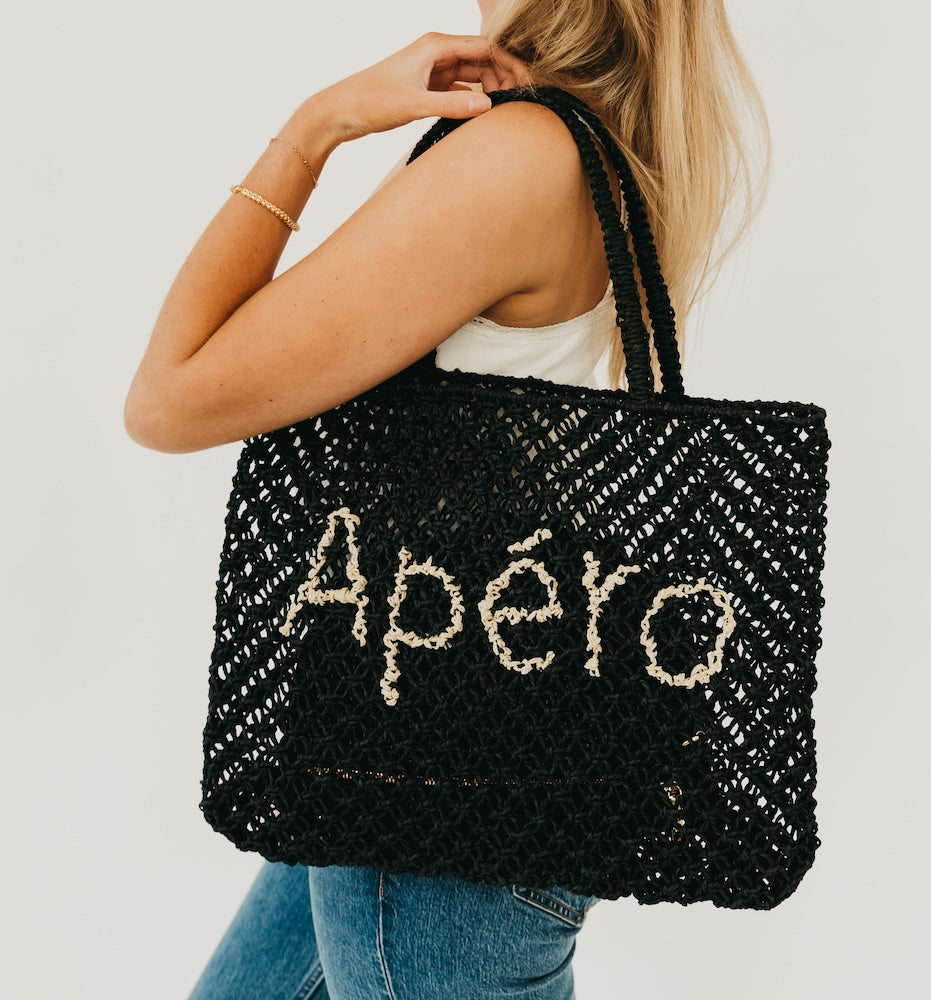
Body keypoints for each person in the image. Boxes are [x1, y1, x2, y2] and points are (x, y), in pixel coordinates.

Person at [124, 2, 767, 997]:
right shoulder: (585, 135)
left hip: (438, 771)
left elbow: (168, 398)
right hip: (430, 733)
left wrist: (315, 128)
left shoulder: (520, 154)